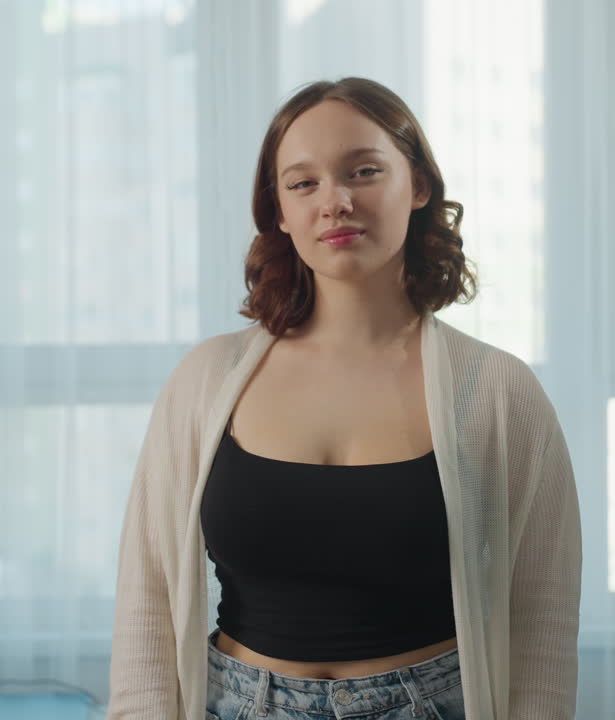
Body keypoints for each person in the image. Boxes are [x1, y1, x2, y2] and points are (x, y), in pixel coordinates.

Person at [108, 77, 581, 720]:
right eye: (303, 183)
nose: (335, 202)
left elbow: (542, 616)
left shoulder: (498, 391)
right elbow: (149, 595)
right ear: (278, 210)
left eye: (362, 171)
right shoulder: (205, 380)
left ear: (417, 186)